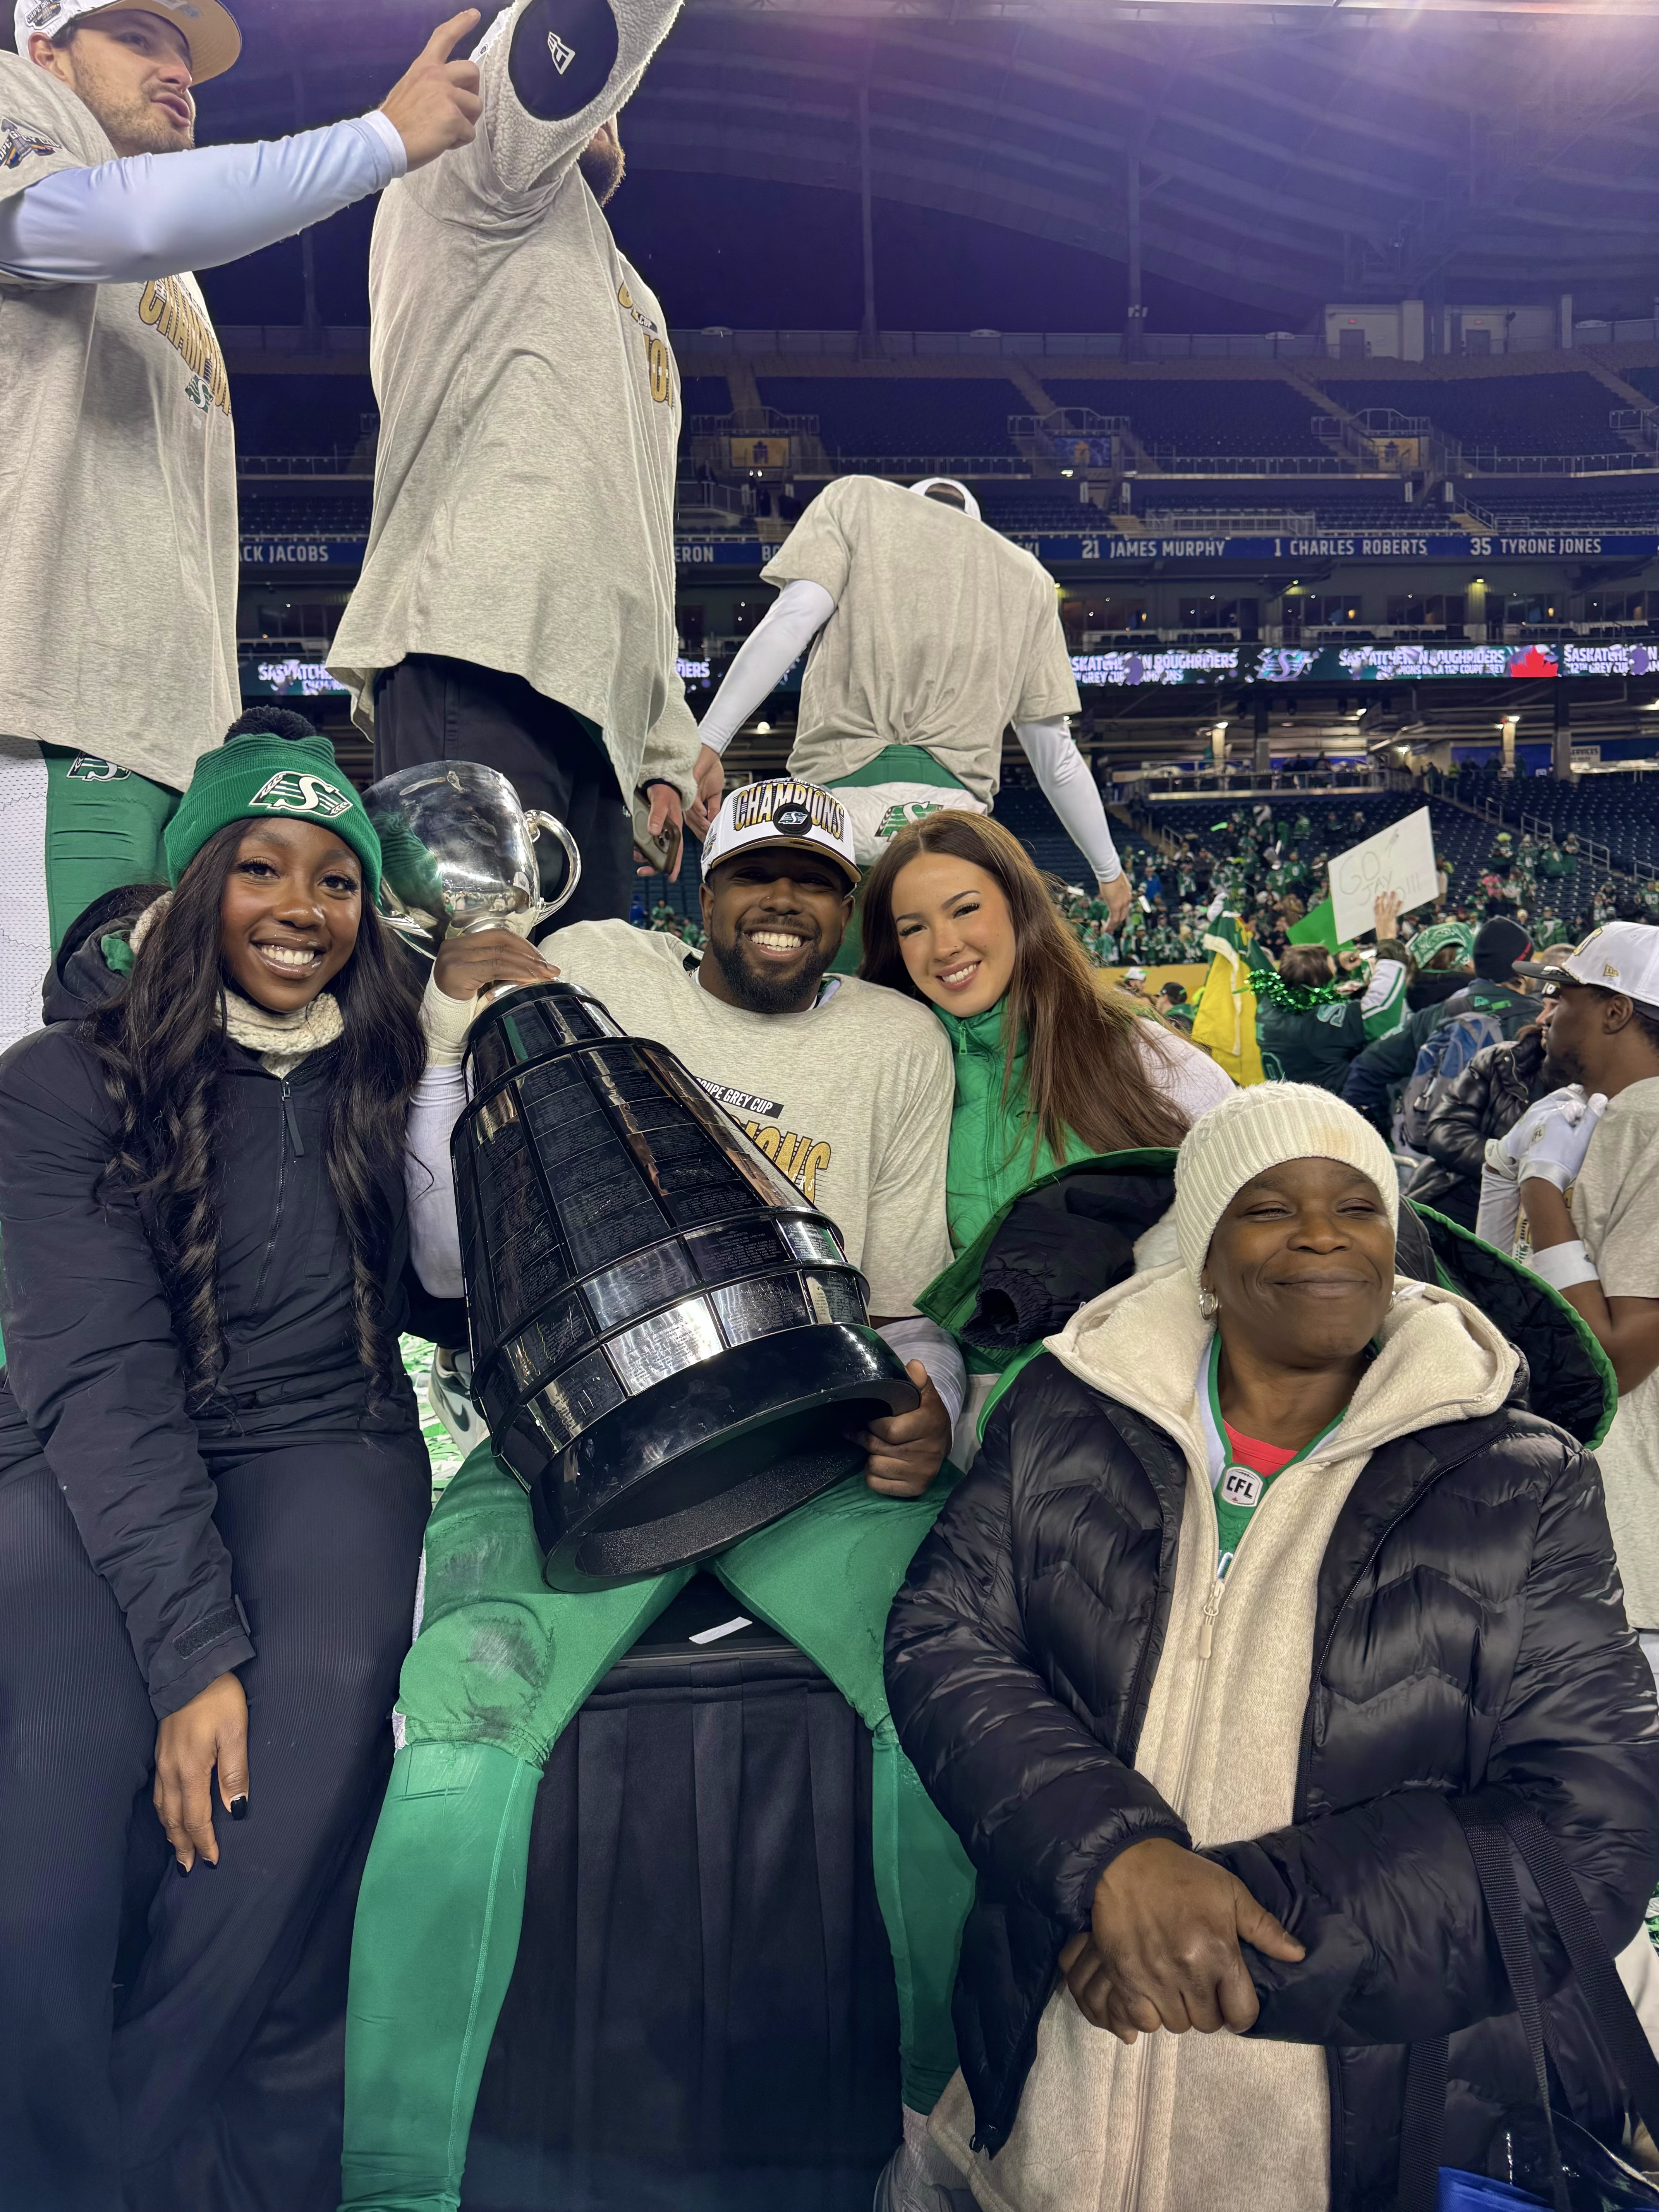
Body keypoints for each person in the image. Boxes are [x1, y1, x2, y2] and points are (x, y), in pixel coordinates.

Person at [341, 779, 979, 2212]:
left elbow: (902, 1299)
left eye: (815, 885)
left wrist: (936, 1401)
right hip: (572, 1428)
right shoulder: (605, 969)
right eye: (756, 874)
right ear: (698, 887)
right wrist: (454, 1024)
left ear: (843, 911)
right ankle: (397, 2185)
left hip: (807, 1428)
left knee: (940, 1694)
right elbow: (448, 1267)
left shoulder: (893, 1044)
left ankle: (963, 2132)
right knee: (463, 1710)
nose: (783, 905)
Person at [884, 1084, 1659, 2207]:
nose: (1318, 1232)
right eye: (1267, 1207)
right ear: (1200, 1255)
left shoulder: (1514, 1477)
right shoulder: (1068, 1405)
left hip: (1363, 2137)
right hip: (1050, 2103)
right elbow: (946, 1638)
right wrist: (1108, 1857)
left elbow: (1589, 1820)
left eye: (1357, 1205)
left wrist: (1217, 1936)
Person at [0, 710, 543, 2210]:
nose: (302, 908)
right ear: (190, 891)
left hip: (324, 1434)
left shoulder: (388, 1068)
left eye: (337, 880)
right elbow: (98, 1379)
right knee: (46, 1815)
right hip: (85, 1443)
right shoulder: (60, 1081)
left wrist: (496, 1050)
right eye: (261, 868)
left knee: (273, 1801)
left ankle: (149, 2156)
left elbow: (464, 1280)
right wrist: (188, 1657)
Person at [0, 0, 483, 1052]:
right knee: (39, 1084)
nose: (177, 71)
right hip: (38, 731)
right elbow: (110, 219)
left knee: (124, 1099)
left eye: (186, 54)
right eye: (137, 38)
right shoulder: (18, 119)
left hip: (146, 740)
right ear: (44, 49)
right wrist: (382, 139)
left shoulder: (172, 264)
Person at [329, 0, 713, 924]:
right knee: (470, 995)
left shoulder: (631, 297)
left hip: (597, 704)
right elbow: (585, 35)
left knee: (575, 1026)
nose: (605, 110)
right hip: (480, 649)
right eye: (596, 95)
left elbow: (639, 537)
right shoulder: (476, 168)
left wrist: (661, 737)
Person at [692, 474, 1131, 943]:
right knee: (941, 1008)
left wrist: (710, 741)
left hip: (837, 812)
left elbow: (793, 619)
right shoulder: (1031, 579)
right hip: (955, 830)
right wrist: (1110, 871)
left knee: (828, 1007)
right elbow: (1055, 755)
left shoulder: (856, 498)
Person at [858, 812, 1232, 1262]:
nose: (943, 947)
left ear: (1019, 905)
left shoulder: (1136, 1048)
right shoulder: (892, 1071)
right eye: (913, 928)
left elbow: (1255, 1194)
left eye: (965, 909)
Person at [1492, 923, 1659, 1663]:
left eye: (1564, 993)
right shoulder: (1598, 1119)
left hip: (1626, 1555)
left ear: (1617, 1010)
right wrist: (1506, 1180)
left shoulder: (1648, 1124)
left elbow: (1616, 1358)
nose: (1546, 1010)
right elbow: (1504, 1311)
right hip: (1574, 1537)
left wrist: (1538, 1191)